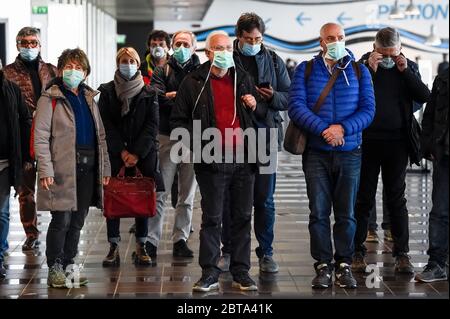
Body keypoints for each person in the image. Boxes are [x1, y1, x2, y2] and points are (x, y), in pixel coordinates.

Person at [171, 31, 261, 292]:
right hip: (211, 161)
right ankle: (210, 271)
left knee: (243, 216)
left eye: (226, 48)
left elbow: (260, 115)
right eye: (217, 49)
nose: (223, 52)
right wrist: (199, 145)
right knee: (212, 218)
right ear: (208, 53)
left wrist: (255, 104)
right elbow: (178, 121)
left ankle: (241, 271)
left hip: (243, 159)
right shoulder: (193, 82)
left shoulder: (242, 78)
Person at [288, 23, 375, 289]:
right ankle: (323, 265)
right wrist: (325, 130)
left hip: (350, 152)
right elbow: (296, 107)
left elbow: (369, 109)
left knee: (347, 214)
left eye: (340, 37)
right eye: (330, 38)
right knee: (319, 212)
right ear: (321, 41)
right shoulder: (306, 69)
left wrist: (342, 129)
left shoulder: (360, 71)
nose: (336, 41)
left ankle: (344, 264)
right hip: (316, 152)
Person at [352, 27, 430, 275]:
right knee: (363, 197)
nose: (388, 58)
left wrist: (405, 70)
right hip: (367, 141)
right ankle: (356, 252)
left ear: (400, 49)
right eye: (383, 54)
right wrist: (370, 72)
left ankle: (402, 254)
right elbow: (351, 98)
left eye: (392, 54)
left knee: (397, 199)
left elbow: (424, 95)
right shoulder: (361, 67)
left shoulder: (406, 66)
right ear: (374, 48)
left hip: (397, 142)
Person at [219, 12, 291, 273]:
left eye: (258, 38)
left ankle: (266, 252)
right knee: (230, 198)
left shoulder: (272, 59)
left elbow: (289, 97)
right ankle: (228, 249)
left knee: (264, 199)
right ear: (239, 37)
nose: (253, 42)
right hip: (233, 136)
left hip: (265, 134)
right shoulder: (227, 59)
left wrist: (272, 97)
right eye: (248, 38)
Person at [34, 48, 111, 288]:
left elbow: (101, 136)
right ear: (60, 69)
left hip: (88, 168)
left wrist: (105, 169)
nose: (73, 71)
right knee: (62, 220)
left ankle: (69, 265)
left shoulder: (89, 98)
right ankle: (54, 267)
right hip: (62, 168)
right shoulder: (50, 98)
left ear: (86, 73)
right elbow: (40, 136)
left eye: (79, 68)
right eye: (69, 66)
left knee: (78, 221)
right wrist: (45, 169)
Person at [98, 47, 162, 266]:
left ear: (138, 63)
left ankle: (141, 244)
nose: (128, 64)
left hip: (143, 154)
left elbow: (152, 126)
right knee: (114, 198)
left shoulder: (150, 92)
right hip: (116, 154)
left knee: (141, 197)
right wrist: (122, 152)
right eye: (124, 61)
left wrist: (136, 153)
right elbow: (105, 124)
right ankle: (113, 245)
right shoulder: (107, 91)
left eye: (132, 60)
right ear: (118, 63)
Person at [147, 31, 200, 258]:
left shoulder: (202, 72)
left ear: (194, 47)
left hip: (193, 138)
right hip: (166, 136)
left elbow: (202, 102)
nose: (181, 47)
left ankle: (181, 238)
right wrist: (181, 100)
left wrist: (173, 98)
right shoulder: (162, 70)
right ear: (171, 46)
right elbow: (156, 98)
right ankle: (151, 240)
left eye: (185, 44)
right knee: (160, 191)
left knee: (187, 195)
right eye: (177, 43)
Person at [3, 27, 57, 251]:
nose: (28, 46)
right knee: (26, 190)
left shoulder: (51, 71)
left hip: (49, 136)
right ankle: (31, 232)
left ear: (40, 44)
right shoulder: (7, 73)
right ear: (17, 45)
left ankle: (58, 227)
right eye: (24, 42)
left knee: (53, 184)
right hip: (22, 135)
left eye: (33, 42)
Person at [415, 69, 449, 283]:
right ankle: (436, 263)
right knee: (440, 211)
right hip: (444, 154)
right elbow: (430, 113)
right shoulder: (444, 78)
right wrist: (427, 144)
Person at [0, 69, 32, 279]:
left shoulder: (10, 89)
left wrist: (26, 157)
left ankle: (0, 256)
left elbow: (24, 121)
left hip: (4, 162)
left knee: (1, 212)